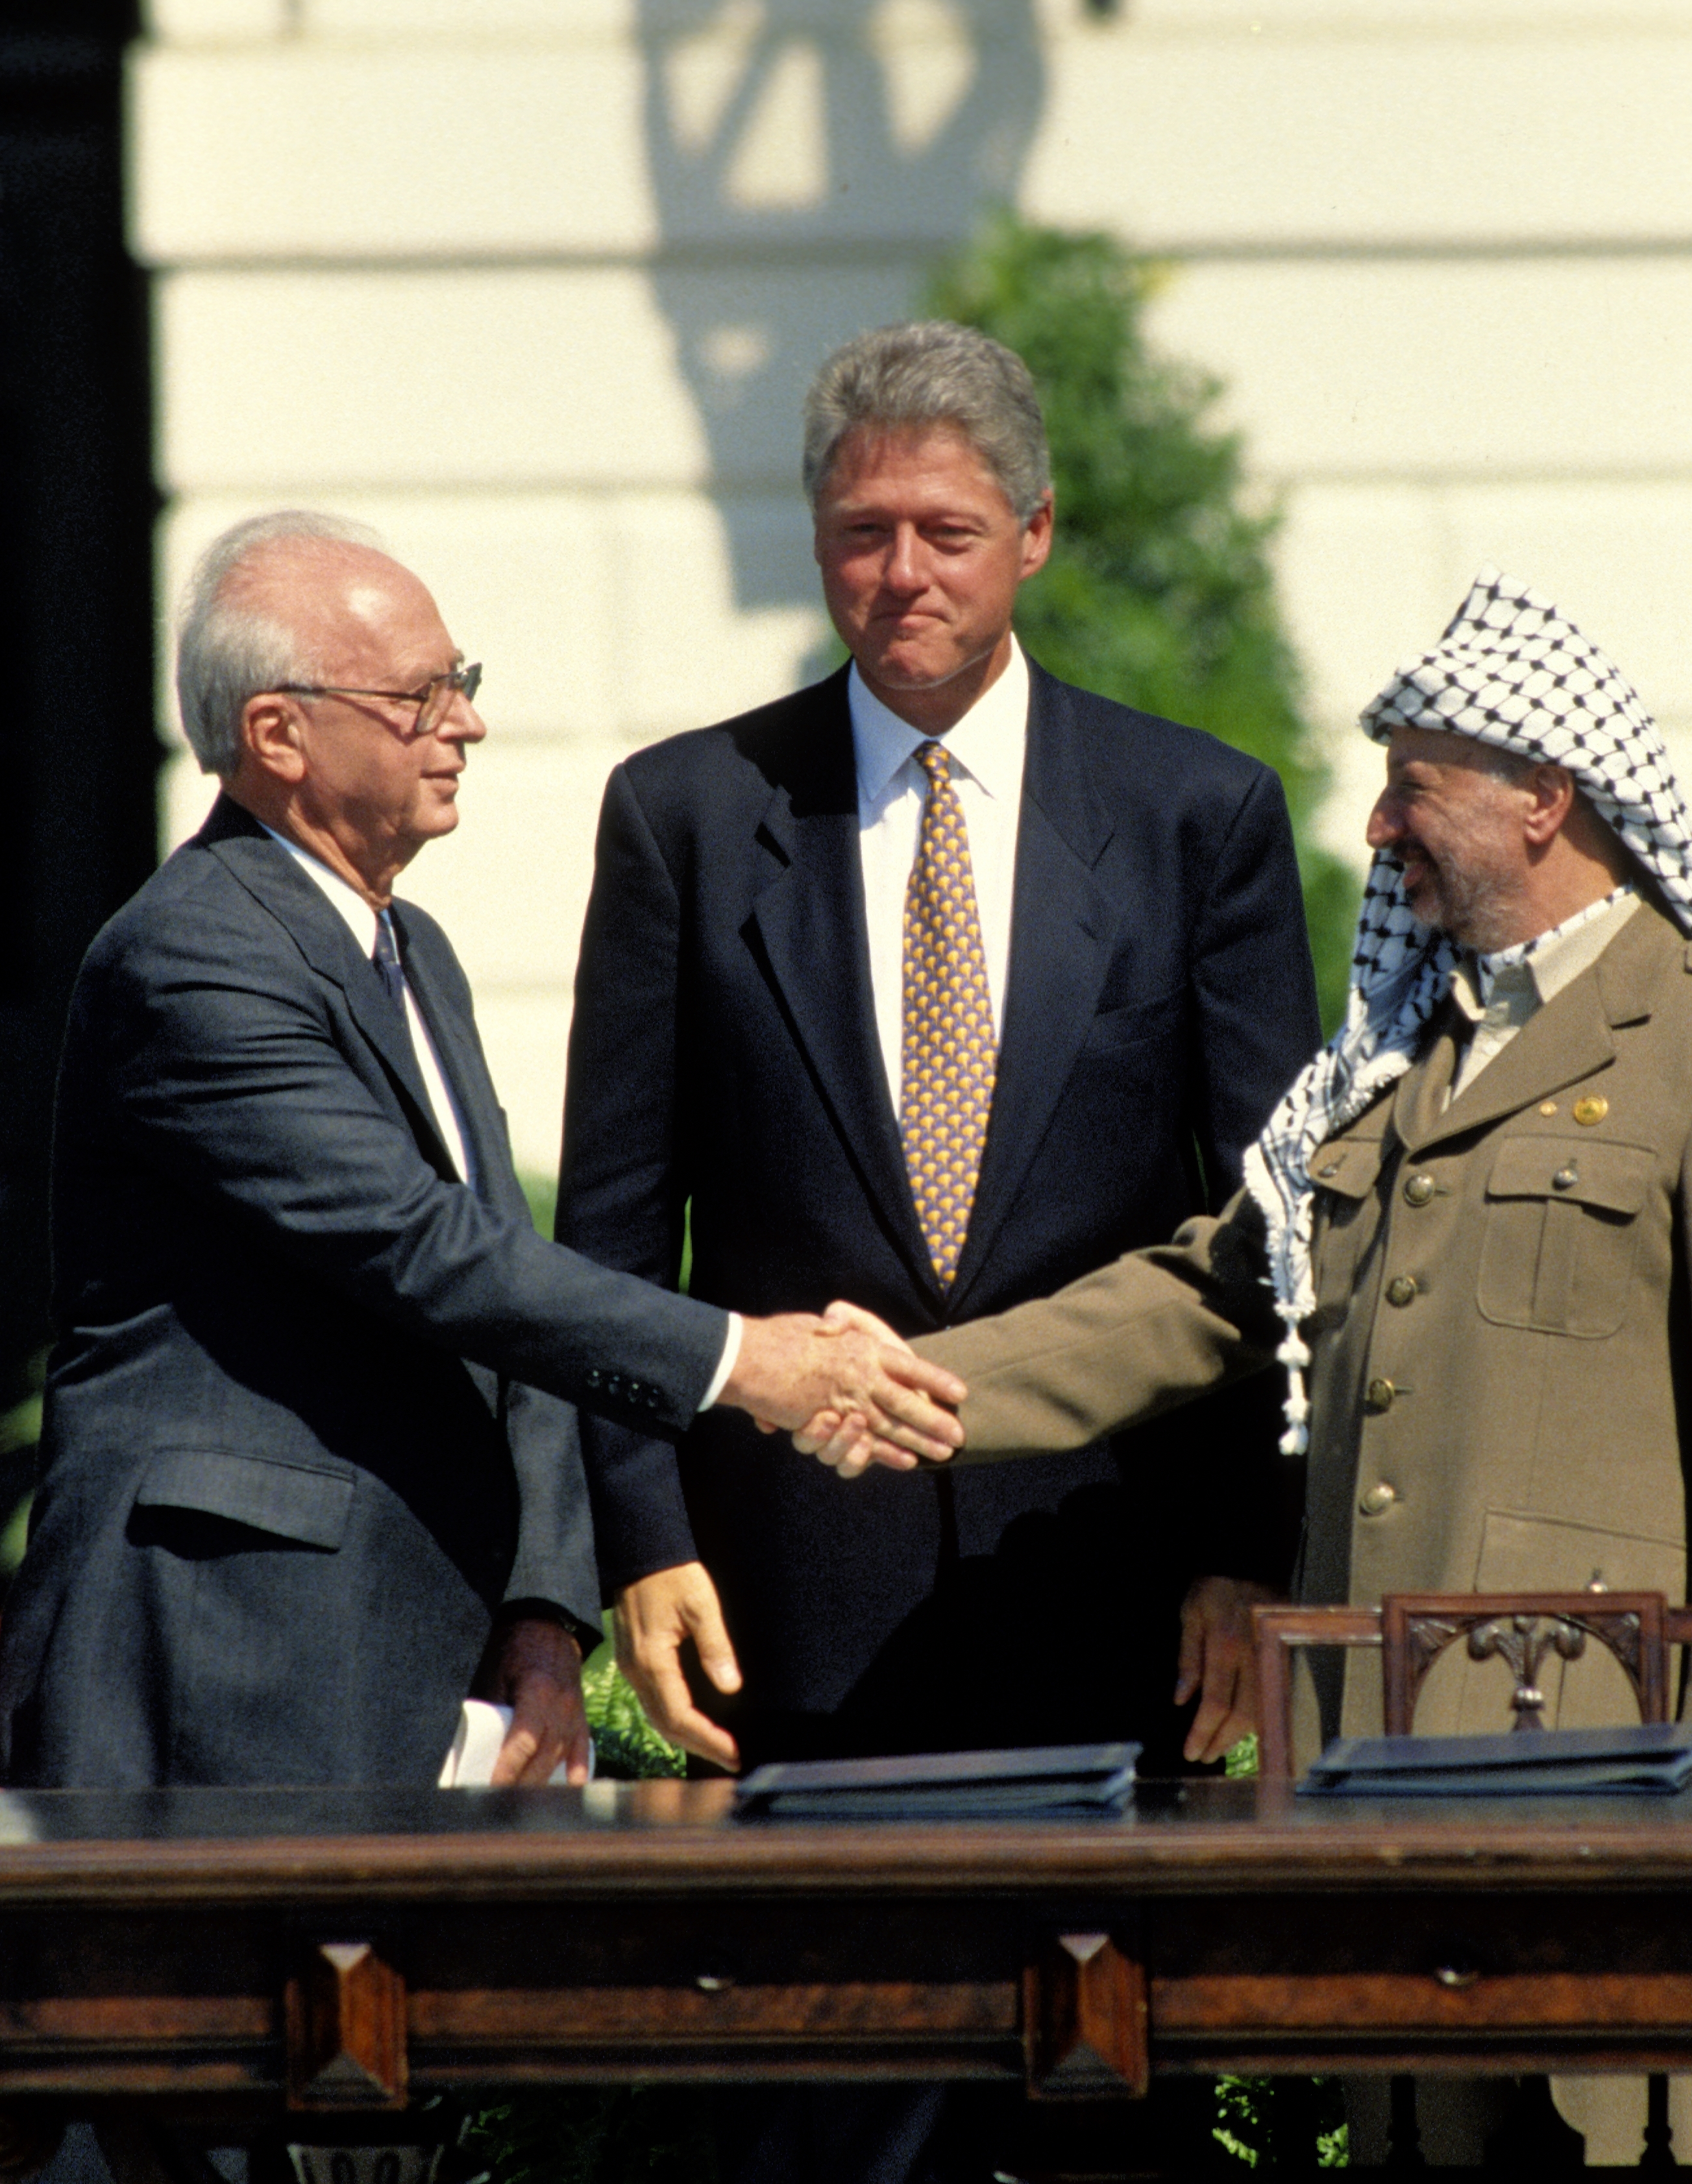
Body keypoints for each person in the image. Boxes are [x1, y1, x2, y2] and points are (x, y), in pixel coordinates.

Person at [828, 572, 1692, 2166]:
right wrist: (906, 1385)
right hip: (1380, 1779)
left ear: (1545, 798)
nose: (1380, 830)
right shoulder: (1389, 1070)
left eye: (1415, 787)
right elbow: (1197, 1298)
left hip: (1608, 1795)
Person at [554, 321, 1313, 2179]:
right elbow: (606, 1224)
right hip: (788, 1602)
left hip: (1105, 1576)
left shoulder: (1191, 815)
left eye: (947, 531)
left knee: (1089, 2103)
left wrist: (1239, 1552)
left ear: (1033, 533)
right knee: (821, 2110)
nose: (901, 573)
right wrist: (642, 1538)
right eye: (861, 529)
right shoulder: (686, 812)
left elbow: (1273, 1229)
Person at [0, 512, 961, 1809]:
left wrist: (544, 1619)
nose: (466, 722)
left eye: (464, 682)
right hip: (221, 1662)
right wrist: (751, 1362)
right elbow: (426, 1254)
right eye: (418, 695)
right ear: (277, 735)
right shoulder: (192, 954)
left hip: (408, 1665)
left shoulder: (412, 950)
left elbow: (507, 1296)